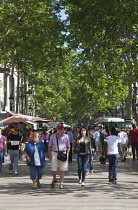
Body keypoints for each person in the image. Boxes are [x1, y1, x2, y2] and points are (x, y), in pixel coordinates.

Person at [48, 123, 70, 189]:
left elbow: (68, 146)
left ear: (63, 129)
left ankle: (61, 183)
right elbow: (49, 146)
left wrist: (67, 154)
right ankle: (54, 179)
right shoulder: (53, 136)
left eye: (61, 129)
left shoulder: (66, 136)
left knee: (62, 169)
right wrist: (49, 154)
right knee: (53, 169)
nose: (59, 130)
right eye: (58, 128)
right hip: (54, 153)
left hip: (63, 153)